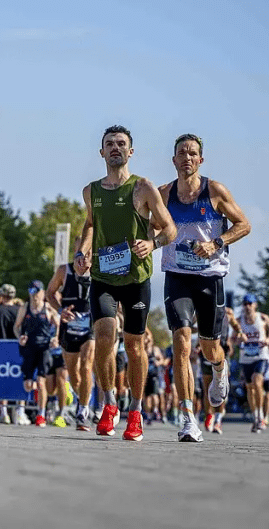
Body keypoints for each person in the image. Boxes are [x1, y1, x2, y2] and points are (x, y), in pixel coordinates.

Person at [74, 125, 177, 441]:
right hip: (103, 275)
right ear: (101, 152)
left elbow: (169, 228)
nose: (115, 148)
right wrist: (82, 251)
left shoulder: (143, 188)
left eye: (121, 144)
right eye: (110, 144)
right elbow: (90, 225)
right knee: (104, 334)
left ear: (131, 152)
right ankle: (108, 403)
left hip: (136, 277)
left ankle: (135, 411)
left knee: (134, 345)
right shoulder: (91, 191)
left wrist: (153, 244)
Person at [158, 133, 252, 443]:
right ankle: (188, 418)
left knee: (210, 346)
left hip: (210, 277)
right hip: (177, 275)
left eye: (192, 153)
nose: (187, 157)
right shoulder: (163, 194)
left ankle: (220, 367)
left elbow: (243, 225)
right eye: (181, 153)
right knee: (182, 342)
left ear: (201, 160)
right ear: (174, 160)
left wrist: (217, 242)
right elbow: (148, 229)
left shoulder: (215, 191)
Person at [48, 242, 95, 431]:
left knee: (86, 366)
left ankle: (82, 412)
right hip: (68, 326)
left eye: (88, 252)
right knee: (74, 374)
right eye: (80, 252)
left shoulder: (99, 271)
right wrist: (60, 310)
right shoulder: (63, 271)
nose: (83, 256)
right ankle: (82, 400)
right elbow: (50, 293)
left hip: (90, 326)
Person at [230, 294, 269, 433]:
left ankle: (261, 417)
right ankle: (256, 416)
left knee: (257, 383)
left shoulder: (263, 318)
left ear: (255, 305)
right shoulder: (239, 321)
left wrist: (268, 339)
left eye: (250, 303)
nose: (247, 306)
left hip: (261, 356)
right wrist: (237, 340)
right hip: (246, 358)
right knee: (250, 388)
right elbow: (232, 339)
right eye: (245, 304)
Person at [14, 280, 58, 427]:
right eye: (31, 291)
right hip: (29, 348)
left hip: (44, 348)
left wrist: (55, 338)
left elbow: (59, 325)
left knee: (40, 382)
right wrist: (20, 336)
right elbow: (16, 327)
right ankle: (35, 406)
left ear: (43, 292)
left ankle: (41, 414)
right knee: (28, 385)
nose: (34, 295)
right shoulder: (25, 307)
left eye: (37, 291)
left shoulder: (48, 308)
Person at [0, 283, 24, 424]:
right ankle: (20, 411)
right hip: (17, 347)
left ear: (1, 295)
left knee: (3, 379)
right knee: (19, 378)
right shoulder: (20, 310)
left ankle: (3, 412)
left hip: (0, 346)